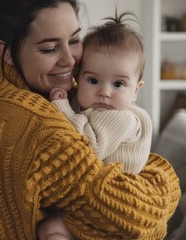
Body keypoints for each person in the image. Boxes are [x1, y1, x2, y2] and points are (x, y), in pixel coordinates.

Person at [0, 0, 181, 239]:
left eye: (75, 40)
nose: (69, 60)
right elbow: (139, 216)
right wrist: (165, 181)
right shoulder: (29, 119)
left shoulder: (61, 89)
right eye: (49, 48)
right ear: (5, 52)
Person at [39, 12, 153, 240]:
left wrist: (61, 106)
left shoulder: (120, 117)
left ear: (136, 90)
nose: (105, 91)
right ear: (77, 79)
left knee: (51, 229)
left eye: (118, 83)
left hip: (113, 203)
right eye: (93, 80)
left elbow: (88, 144)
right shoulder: (89, 106)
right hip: (96, 198)